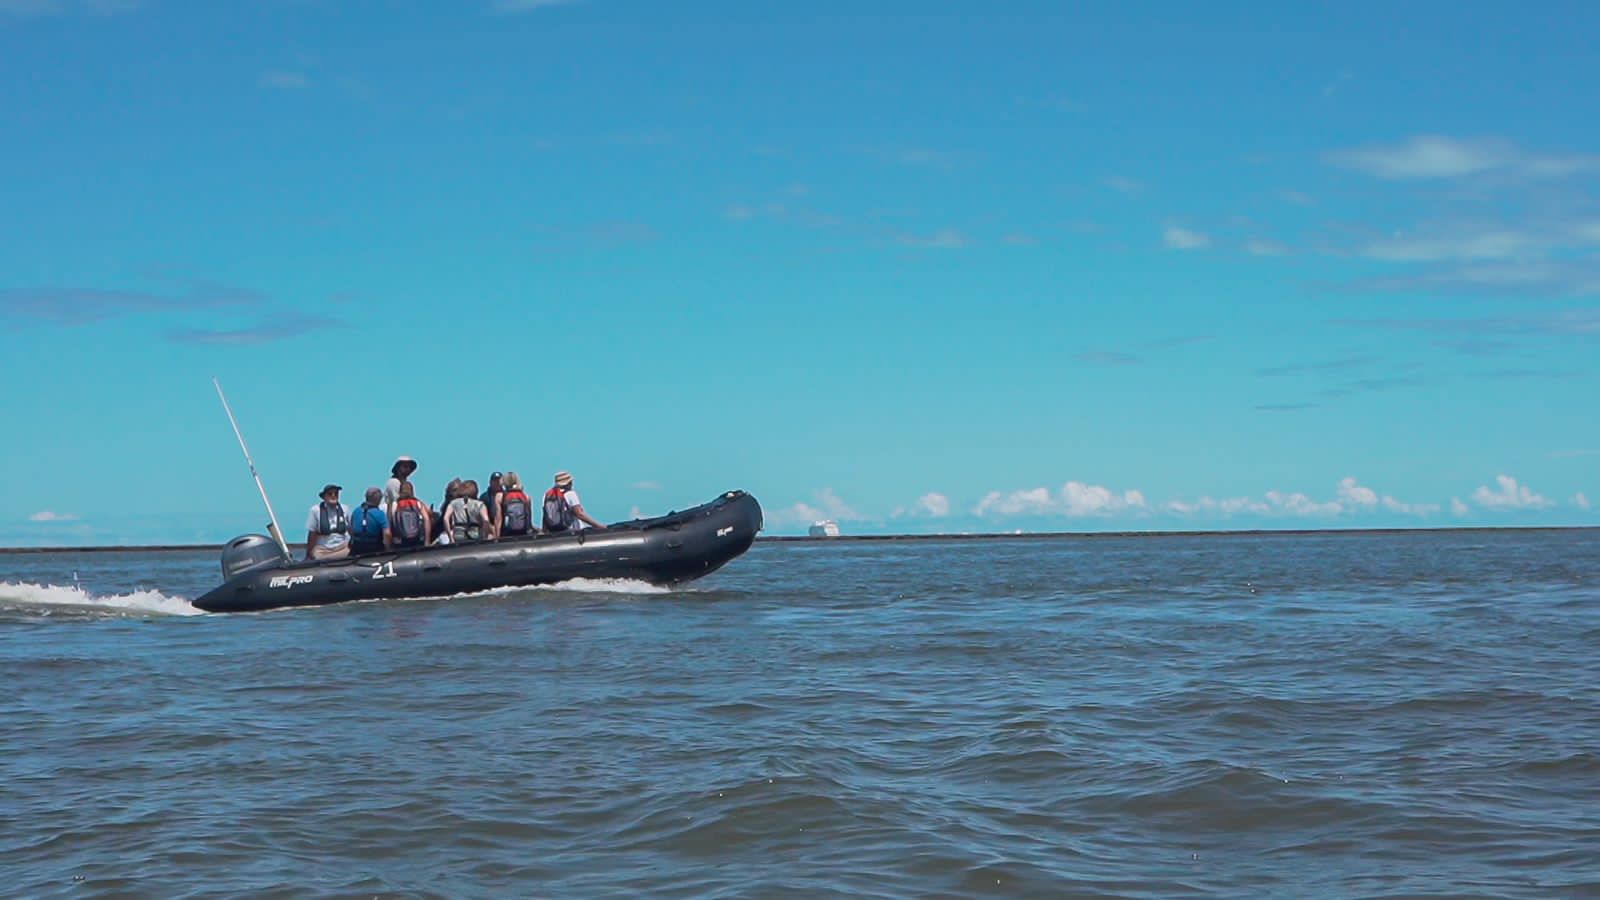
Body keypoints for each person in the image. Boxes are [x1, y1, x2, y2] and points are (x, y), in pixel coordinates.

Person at [543, 471, 607, 534]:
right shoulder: (570, 494)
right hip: (573, 532)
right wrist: (599, 526)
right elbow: (579, 514)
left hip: (555, 533)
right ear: (569, 482)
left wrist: (544, 532)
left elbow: (546, 516)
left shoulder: (548, 495)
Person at [304, 484, 351, 560]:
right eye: (330, 494)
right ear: (324, 497)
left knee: (351, 550)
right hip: (323, 549)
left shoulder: (345, 509)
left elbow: (351, 529)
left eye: (336, 493)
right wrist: (308, 554)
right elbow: (312, 534)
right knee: (316, 555)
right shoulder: (315, 510)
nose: (333, 496)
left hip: (341, 547)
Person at [445, 479, 491, 543]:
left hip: (458, 533)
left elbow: (445, 518)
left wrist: (450, 536)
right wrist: (484, 536)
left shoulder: (453, 503)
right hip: (474, 532)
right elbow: (486, 520)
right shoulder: (479, 504)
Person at [389, 481, 431, 548]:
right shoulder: (418, 503)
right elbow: (427, 520)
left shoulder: (395, 504)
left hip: (401, 539)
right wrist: (427, 540)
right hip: (416, 537)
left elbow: (391, 522)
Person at [349, 487, 390, 555]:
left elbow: (350, 529)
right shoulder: (380, 514)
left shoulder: (356, 511)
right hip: (374, 549)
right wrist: (388, 549)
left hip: (356, 549)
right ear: (379, 500)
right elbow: (387, 534)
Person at [495, 472, 535, 538]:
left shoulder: (500, 497)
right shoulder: (526, 497)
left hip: (506, 533)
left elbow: (498, 519)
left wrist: (497, 537)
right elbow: (529, 518)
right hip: (523, 532)